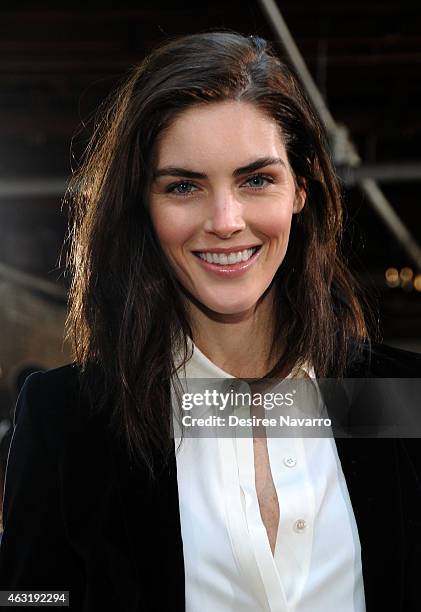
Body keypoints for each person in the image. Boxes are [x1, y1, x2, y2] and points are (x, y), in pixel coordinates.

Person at [0, 31, 420, 612]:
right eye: (183, 186)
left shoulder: (395, 399)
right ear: (143, 206)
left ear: (301, 189)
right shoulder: (71, 419)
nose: (225, 221)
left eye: (256, 180)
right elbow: (27, 597)